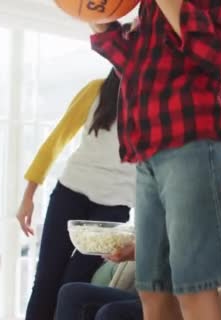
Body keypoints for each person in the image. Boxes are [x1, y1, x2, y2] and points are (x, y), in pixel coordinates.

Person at [88, 1, 221, 319]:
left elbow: (211, 52)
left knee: (194, 287)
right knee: (152, 288)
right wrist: (99, 19)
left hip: (192, 141)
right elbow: (134, 65)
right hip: (147, 148)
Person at [16, 69, 135, 320]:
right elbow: (57, 139)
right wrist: (28, 196)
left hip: (114, 206)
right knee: (46, 280)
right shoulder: (96, 90)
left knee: (74, 284)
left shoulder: (157, 103)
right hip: (71, 192)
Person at [54, 192, 221, 320]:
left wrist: (141, 250)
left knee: (112, 314)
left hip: (210, 304)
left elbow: (213, 252)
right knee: (71, 294)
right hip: (167, 296)